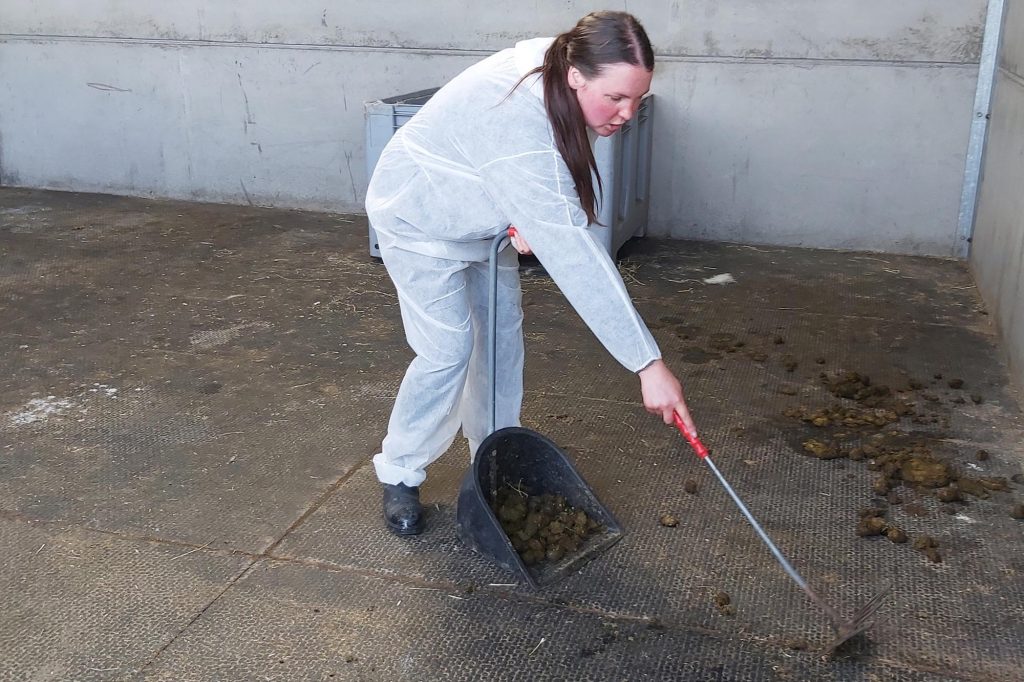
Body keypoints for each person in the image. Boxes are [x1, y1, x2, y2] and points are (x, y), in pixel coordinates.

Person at [365, 11, 697, 535]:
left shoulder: (562, 63)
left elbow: (532, 184)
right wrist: (647, 363)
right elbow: (574, 252)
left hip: (480, 220)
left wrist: (519, 208)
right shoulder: (514, 110)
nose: (628, 113)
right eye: (615, 98)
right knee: (448, 351)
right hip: (420, 219)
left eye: (637, 98)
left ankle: (493, 461)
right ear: (577, 76)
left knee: (499, 342)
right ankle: (401, 472)